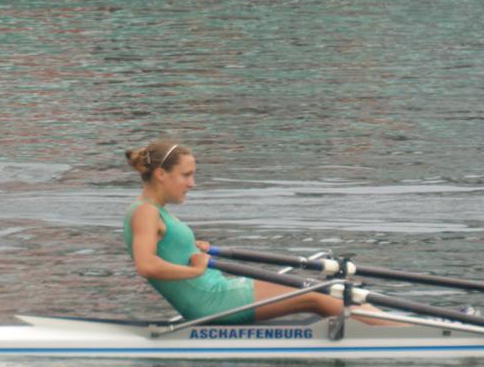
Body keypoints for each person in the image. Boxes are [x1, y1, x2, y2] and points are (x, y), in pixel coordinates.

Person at [123, 138, 392, 324]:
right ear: (161, 174)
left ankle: (394, 326)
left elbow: (166, 249)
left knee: (326, 289)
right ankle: (403, 333)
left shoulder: (154, 210)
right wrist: (194, 271)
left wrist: (192, 247)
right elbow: (146, 265)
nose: (192, 183)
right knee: (318, 293)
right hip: (211, 300)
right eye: (186, 175)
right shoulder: (146, 212)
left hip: (216, 291)